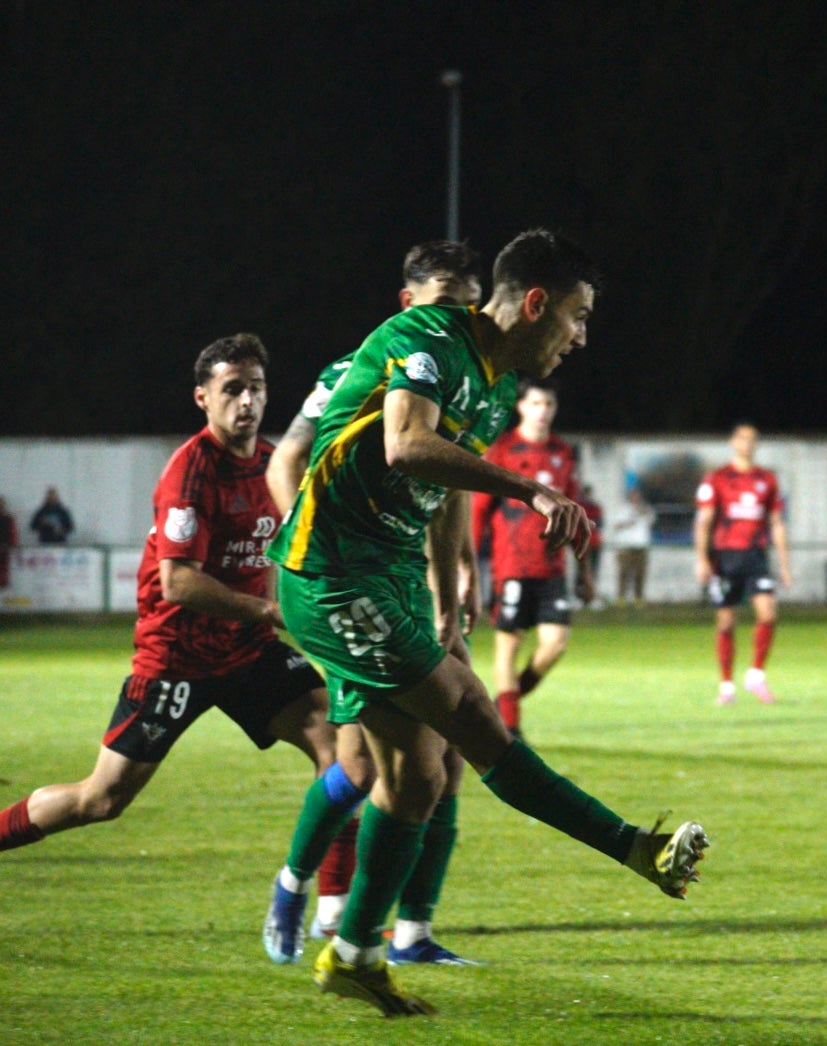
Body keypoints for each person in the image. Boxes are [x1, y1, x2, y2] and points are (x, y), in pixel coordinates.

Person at [267, 228, 706, 1017]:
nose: (580, 336)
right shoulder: (425, 335)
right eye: (576, 316)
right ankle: (635, 849)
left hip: (392, 576)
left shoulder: (497, 386)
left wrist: (448, 590)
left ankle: (356, 952)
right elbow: (406, 445)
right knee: (472, 718)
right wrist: (529, 490)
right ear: (534, 302)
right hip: (332, 573)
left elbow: (438, 485)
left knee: (419, 777)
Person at [0, 335, 336, 859]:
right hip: (178, 659)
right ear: (203, 397)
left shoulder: (273, 466)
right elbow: (177, 581)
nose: (246, 401)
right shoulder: (192, 472)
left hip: (249, 650)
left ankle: (334, 913)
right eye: (232, 390)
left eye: (256, 388)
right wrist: (270, 610)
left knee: (342, 753)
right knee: (101, 799)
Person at [261, 240, 486, 968]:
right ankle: (296, 885)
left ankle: (412, 933)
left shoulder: (467, 384)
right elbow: (285, 460)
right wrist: (323, 552)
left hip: (422, 593)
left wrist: (462, 577)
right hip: (355, 588)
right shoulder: (352, 375)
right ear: (408, 302)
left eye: (468, 300)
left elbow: (450, 489)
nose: (457, 313)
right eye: (444, 298)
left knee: (447, 763)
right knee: (362, 767)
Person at [471, 382, 590, 738]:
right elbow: (478, 511)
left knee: (555, 644)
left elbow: (573, 513)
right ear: (521, 407)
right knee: (508, 644)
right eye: (535, 402)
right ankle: (509, 727)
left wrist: (584, 569)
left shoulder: (562, 453)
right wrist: (470, 565)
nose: (542, 410)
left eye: (548, 403)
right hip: (512, 567)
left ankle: (504, 705)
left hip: (552, 567)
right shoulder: (503, 449)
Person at [695, 423, 792, 705]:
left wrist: (784, 565)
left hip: (756, 556)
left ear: (756, 444)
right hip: (725, 557)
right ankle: (726, 686)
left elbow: (776, 523)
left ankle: (755, 675)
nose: (746, 443)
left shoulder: (767, 480)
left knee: (768, 613)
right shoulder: (717, 478)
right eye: (741, 438)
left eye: (751, 439)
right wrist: (702, 559)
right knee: (725, 622)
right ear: (732, 442)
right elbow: (704, 520)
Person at [612, 487, 655, 606]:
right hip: (625, 546)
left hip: (641, 546)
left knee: (640, 573)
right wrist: (629, 521)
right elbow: (616, 526)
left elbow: (651, 522)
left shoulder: (645, 509)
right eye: (633, 495)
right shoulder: (623, 510)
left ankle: (639, 597)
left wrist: (642, 512)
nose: (635, 498)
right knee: (624, 573)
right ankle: (621, 597)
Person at [578, 484, 604, 606]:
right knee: (581, 572)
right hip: (581, 543)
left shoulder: (595, 507)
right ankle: (580, 598)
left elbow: (599, 523)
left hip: (593, 542)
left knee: (593, 571)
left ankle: (592, 598)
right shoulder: (578, 507)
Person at [0, 497, 15, 589]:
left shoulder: (8, 518)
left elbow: (12, 532)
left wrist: (13, 545)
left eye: (1, 505)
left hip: (5, 546)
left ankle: (3, 583)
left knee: (4, 567)